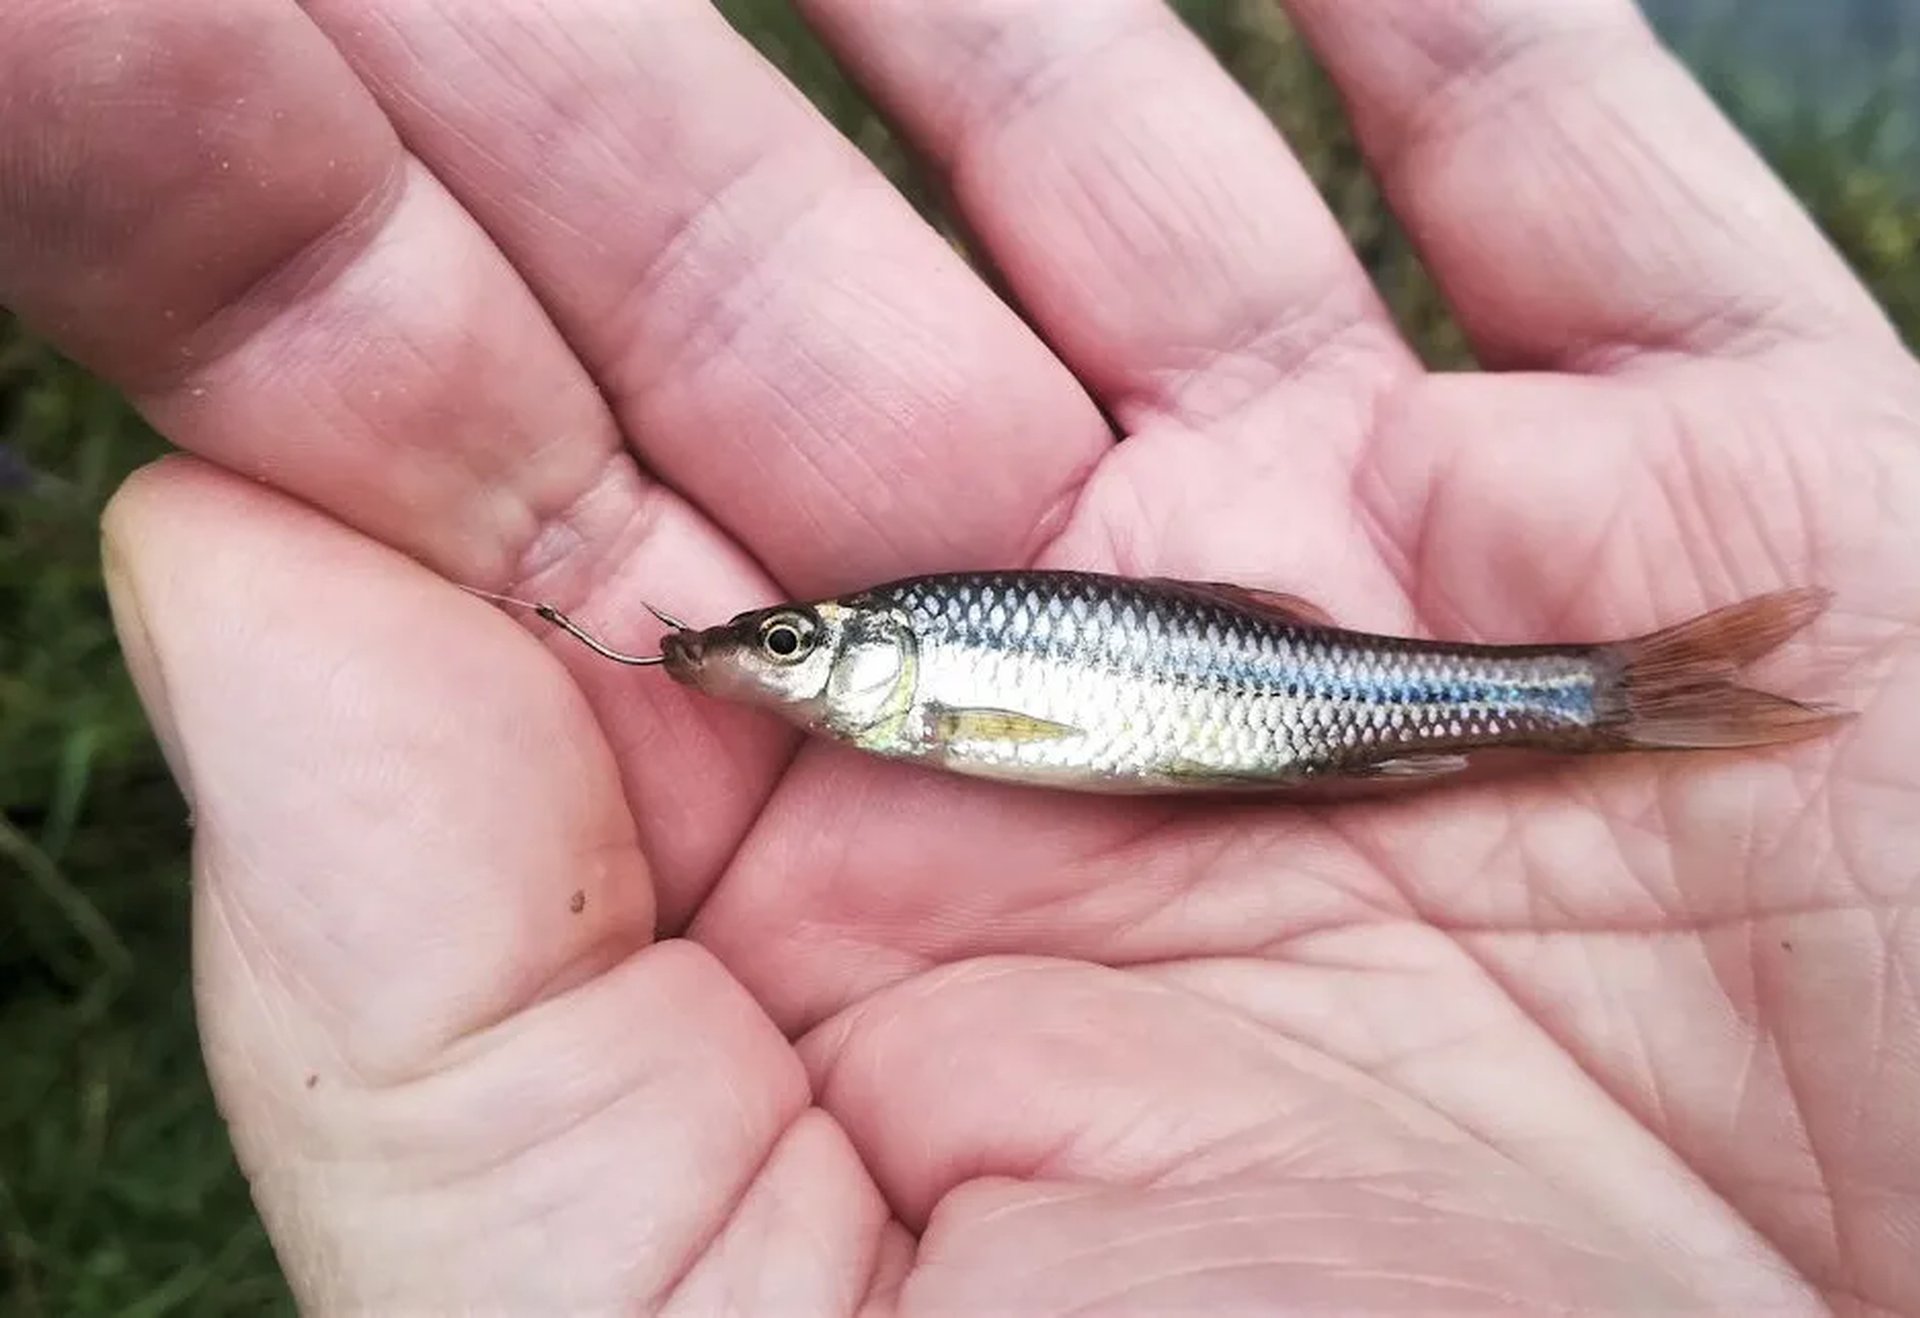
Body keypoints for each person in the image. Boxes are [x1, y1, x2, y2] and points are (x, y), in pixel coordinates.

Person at [4, 1, 1916, 1311]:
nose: (770, 664)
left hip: (1322, 706)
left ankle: (1618, 690)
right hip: (1306, 718)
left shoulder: (933, 678)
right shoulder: (910, 680)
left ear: (857, 657)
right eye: (779, 649)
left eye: (793, 648)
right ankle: (1617, 694)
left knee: (1447, 700)